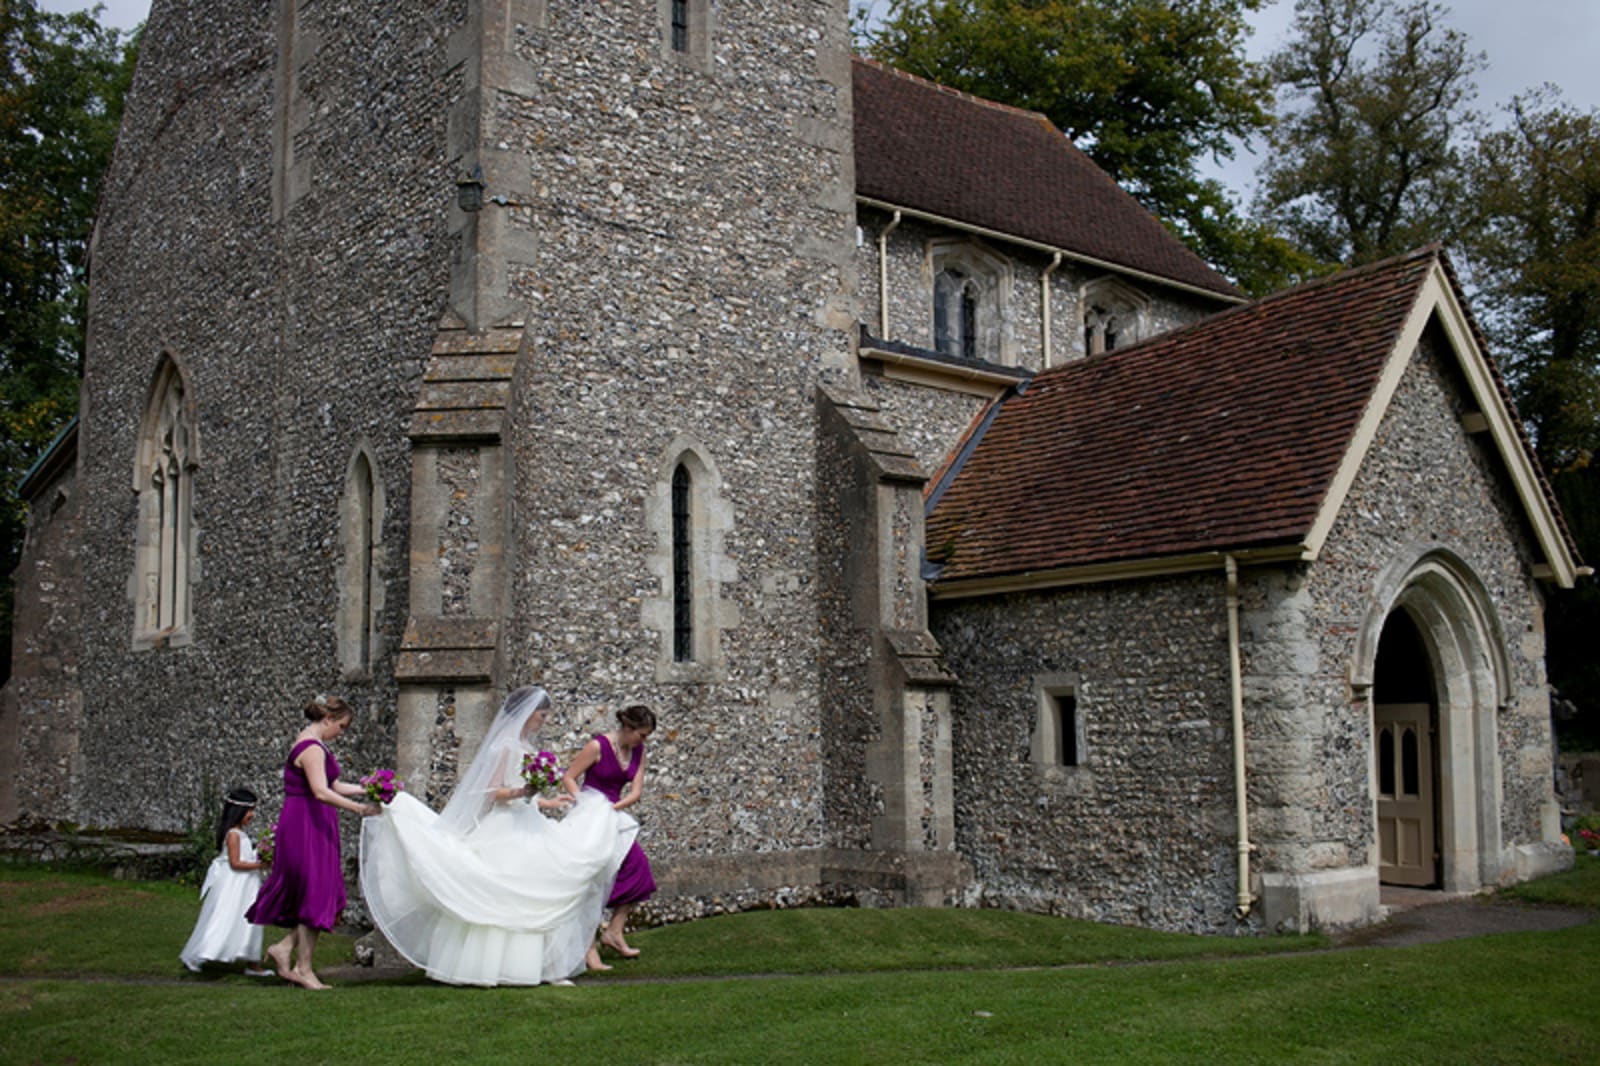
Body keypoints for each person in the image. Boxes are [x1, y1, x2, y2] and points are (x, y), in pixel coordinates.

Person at [360, 685, 638, 986]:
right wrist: (523, 791)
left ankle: (544, 967)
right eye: (542, 715)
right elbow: (493, 792)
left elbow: (521, 794)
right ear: (528, 714)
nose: (543, 721)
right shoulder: (505, 746)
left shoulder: (526, 748)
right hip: (506, 828)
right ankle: (494, 966)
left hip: (528, 821)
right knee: (508, 891)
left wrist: (544, 800)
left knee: (537, 890)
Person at [246, 696, 378, 990]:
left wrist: (368, 789)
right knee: (315, 892)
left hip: (313, 821)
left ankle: (284, 949)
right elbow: (320, 791)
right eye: (341, 727)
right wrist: (359, 809)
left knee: (320, 892)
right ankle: (303, 968)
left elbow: (333, 786)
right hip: (306, 822)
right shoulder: (311, 748)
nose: (341, 733)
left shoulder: (313, 745)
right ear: (328, 719)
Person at [563, 703, 657, 967]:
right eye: (642, 734)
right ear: (628, 728)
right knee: (590, 878)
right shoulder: (597, 746)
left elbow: (635, 791)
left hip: (612, 814)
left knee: (638, 867)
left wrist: (613, 809)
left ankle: (614, 931)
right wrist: (585, 804)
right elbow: (569, 777)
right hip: (589, 815)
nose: (644, 740)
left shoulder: (639, 751)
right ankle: (587, 947)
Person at [179, 787, 270, 973]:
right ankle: (202, 953)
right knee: (225, 917)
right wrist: (260, 865)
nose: (252, 815)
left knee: (248, 921)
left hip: (246, 884)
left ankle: (252, 960)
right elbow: (235, 863)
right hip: (234, 884)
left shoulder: (240, 833)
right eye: (249, 811)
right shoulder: (233, 835)